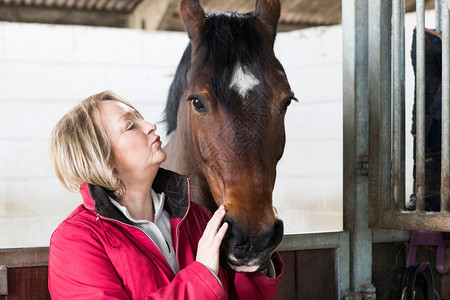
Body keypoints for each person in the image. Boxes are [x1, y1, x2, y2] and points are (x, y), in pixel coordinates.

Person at [48, 91, 283, 299]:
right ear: (99, 156)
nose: (150, 125)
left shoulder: (198, 217)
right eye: (130, 126)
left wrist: (259, 260)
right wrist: (203, 274)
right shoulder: (75, 241)